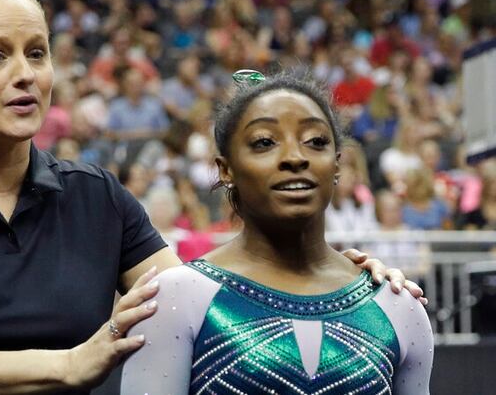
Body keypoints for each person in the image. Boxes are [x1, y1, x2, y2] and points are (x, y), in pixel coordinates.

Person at [0, 0, 422, 394]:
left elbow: (204, 302)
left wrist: (332, 277)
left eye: (37, 53)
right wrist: (67, 366)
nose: (25, 74)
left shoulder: (95, 196)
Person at [121, 70, 433, 394]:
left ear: (337, 164)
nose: (295, 157)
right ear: (226, 169)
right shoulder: (175, 297)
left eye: (315, 141)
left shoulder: (398, 307)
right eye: (264, 142)